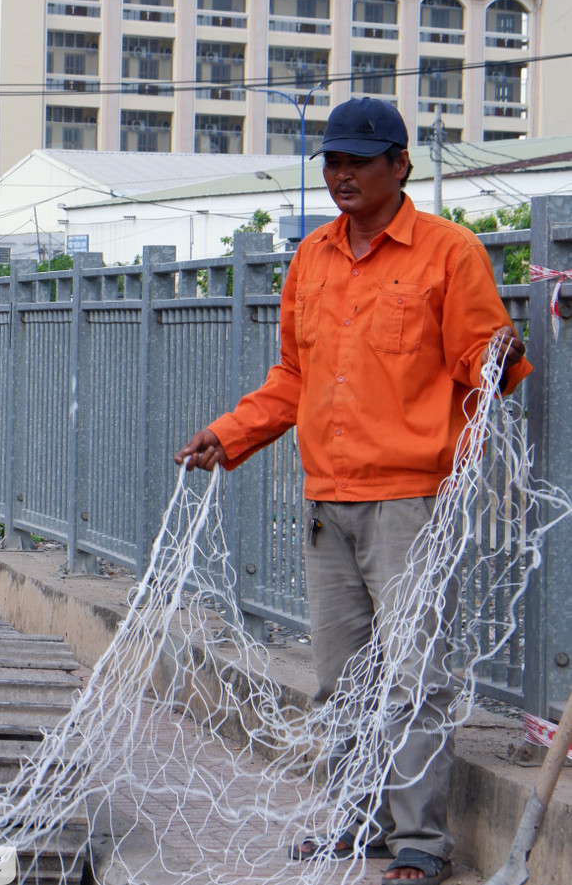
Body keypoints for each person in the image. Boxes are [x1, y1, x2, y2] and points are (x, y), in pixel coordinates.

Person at [175, 98, 528, 885]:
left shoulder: (449, 252)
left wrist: (500, 355)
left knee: (413, 676)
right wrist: (228, 435)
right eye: (332, 161)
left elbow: (479, 356)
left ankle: (420, 844)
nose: (341, 175)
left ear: (399, 165)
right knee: (343, 676)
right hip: (326, 500)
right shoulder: (312, 258)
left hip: (412, 502)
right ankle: (359, 821)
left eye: (358, 161)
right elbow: (292, 379)